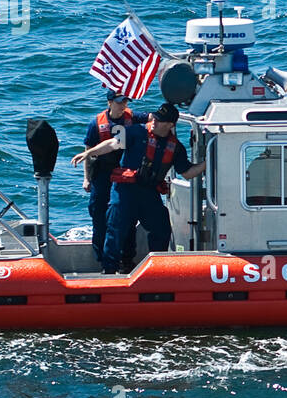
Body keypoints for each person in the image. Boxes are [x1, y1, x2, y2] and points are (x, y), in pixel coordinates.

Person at [71, 102, 205, 273]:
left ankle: (156, 268)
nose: (155, 121)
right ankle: (109, 270)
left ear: (171, 125)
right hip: (124, 191)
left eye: (161, 120)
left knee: (162, 227)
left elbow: (187, 172)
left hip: (148, 193)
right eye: (155, 118)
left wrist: (206, 163)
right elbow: (112, 144)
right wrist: (89, 153)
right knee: (116, 228)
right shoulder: (136, 131)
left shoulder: (176, 147)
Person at [82, 90, 146, 266]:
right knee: (99, 215)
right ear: (109, 102)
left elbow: (154, 120)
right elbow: (88, 153)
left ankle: (127, 258)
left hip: (125, 175)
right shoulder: (96, 123)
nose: (122, 105)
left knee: (127, 216)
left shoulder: (134, 117)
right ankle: (102, 259)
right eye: (119, 102)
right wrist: (86, 179)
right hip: (102, 175)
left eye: (125, 101)